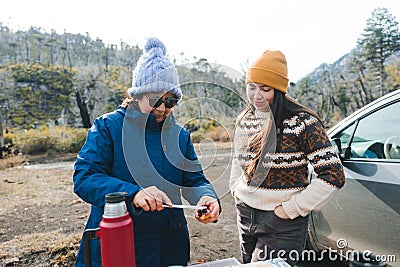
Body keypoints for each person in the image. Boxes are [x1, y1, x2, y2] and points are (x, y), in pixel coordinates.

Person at [73, 37, 220, 267]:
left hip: (167, 250)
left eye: (170, 101)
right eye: (155, 99)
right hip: (116, 247)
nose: (162, 108)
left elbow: (194, 179)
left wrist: (207, 196)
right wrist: (133, 193)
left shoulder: (180, 136)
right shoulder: (107, 128)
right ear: (137, 95)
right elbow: (84, 178)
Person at [229, 49, 345, 266]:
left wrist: (291, 209)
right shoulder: (244, 119)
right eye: (251, 87)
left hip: (281, 222)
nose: (256, 95)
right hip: (245, 214)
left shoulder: (302, 123)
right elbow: (239, 159)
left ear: (279, 90)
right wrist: (236, 189)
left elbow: (333, 174)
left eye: (265, 89)